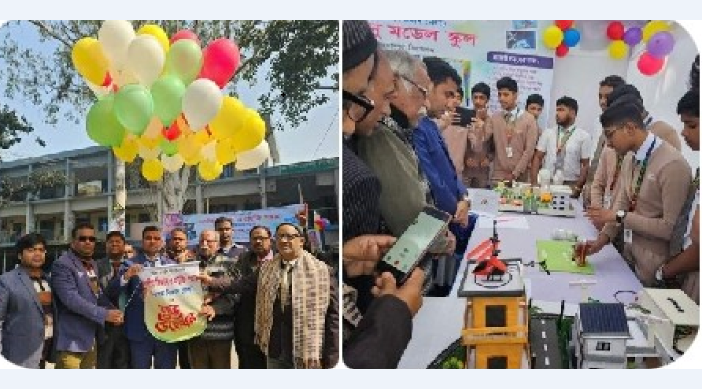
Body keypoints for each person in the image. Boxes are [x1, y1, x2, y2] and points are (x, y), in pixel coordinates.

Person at [201, 223, 338, 368]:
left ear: (301, 241)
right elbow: (240, 284)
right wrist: (212, 281)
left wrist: (332, 358)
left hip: (308, 351)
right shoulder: (266, 269)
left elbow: (333, 315)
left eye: (290, 236)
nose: (284, 240)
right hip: (275, 349)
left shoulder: (322, 271)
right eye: (280, 236)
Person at [585, 102, 691, 286]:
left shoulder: (673, 165)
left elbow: (669, 229)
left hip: (654, 270)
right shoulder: (630, 157)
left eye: (610, 135)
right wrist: (601, 240)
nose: (608, 143)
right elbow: (621, 205)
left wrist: (620, 216)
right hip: (627, 258)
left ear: (629, 128)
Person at [51, 223, 123, 369]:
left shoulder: (92, 265)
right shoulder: (62, 264)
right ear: (73, 242)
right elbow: (71, 299)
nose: (88, 242)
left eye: (92, 239)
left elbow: (97, 293)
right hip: (70, 342)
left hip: (91, 341)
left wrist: (113, 311)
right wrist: (104, 314)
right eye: (82, 238)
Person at [112, 226, 177, 369]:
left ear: (162, 242)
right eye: (148, 238)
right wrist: (126, 276)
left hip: (166, 329)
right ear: (142, 241)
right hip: (139, 331)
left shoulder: (174, 266)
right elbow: (114, 289)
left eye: (156, 238)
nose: (152, 241)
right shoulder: (129, 264)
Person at [663, 89, 699, 303]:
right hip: (686, 267)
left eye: (691, 125)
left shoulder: (674, 163)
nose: (684, 133)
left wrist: (667, 270)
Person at [0, 233, 54, 368]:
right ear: (19, 255)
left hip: (44, 354)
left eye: (41, 250)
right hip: (18, 357)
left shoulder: (49, 280)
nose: (37, 254)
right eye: (31, 250)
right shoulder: (6, 281)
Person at [188, 229, 238, 369]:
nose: (204, 244)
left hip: (220, 332)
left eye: (209, 241)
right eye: (201, 241)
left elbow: (235, 293)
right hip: (194, 331)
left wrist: (216, 308)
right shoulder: (189, 264)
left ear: (217, 244)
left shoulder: (231, 263)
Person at [530, 96, 591, 196]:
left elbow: (585, 165)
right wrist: (534, 183)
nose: (557, 114)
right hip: (547, 182)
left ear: (572, 113)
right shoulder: (548, 132)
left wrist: (578, 187)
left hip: (570, 184)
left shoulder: (584, 136)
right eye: (557, 110)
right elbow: (537, 157)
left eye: (561, 110)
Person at [232, 226, 273, 369]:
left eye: (262, 238)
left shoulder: (280, 259)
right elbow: (234, 282)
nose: (258, 241)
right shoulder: (244, 259)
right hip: (248, 325)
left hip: (274, 328)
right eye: (254, 238)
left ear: (270, 240)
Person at [487, 76, 539, 184]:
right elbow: (485, 142)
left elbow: (529, 151)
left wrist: (515, 173)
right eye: (499, 94)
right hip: (498, 176)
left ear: (515, 95)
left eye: (506, 95)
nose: (501, 98)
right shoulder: (494, 118)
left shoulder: (529, 119)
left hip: (520, 177)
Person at [96, 231, 130, 369]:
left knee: (123, 364)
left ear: (124, 245)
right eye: (111, 242)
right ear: (106, 246)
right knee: (104, 364)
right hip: (104, 326)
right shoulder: (96, 266)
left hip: (127, 325)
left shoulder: (132, 266)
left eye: (118, 242)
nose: (114, 244)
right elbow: (96, 293)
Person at [463, 82, 492, 188]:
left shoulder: (491, 120)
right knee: (464, 199)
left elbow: (494, 144)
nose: (478, 101)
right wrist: (465, 158)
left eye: (481, 98)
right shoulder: (465, 117)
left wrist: (489, 158)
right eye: (475, 97)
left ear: (487, 100)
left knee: (480, 202)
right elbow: (460, 142)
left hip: (482, 170)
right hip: (466, 169)